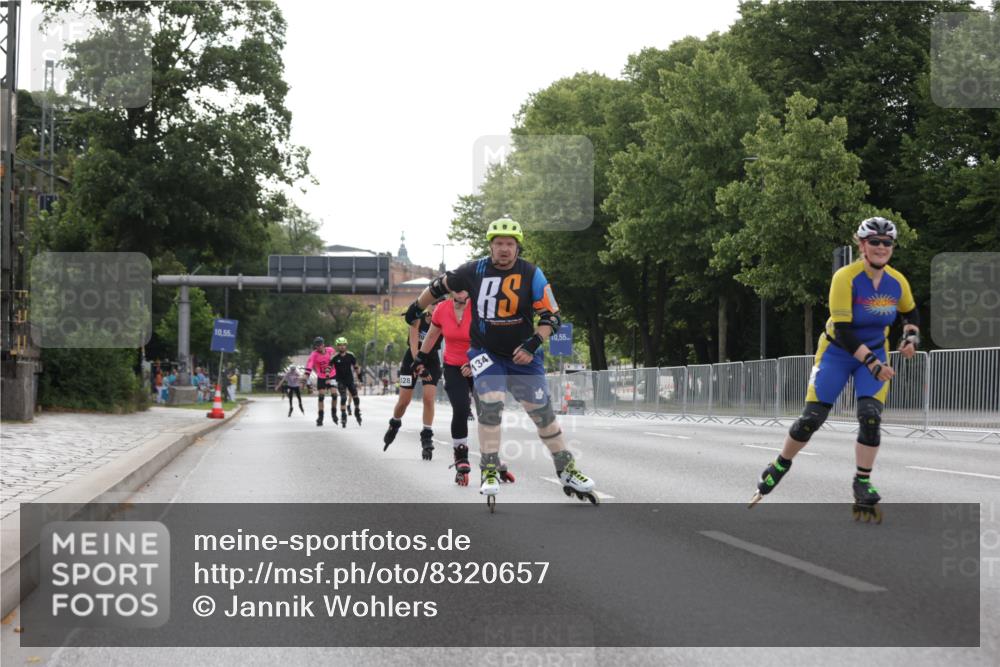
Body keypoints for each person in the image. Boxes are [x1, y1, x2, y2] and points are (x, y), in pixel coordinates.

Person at [406, 217, 597, 507]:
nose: (504, 249)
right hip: (486, 352)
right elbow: (438, 286)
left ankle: (566, 469)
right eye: (498, 244)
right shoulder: (474, 270)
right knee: (491, 404)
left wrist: (533, 344)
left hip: (524, 354)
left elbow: (551, 317)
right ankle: (490, 469)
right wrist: (414, 308)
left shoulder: (532, 274)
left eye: (509, 244)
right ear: (491, 246)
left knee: (542, 414)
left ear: (518, 247)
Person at [748, 217, 920, 523]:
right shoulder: (846, 277)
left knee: (870, 416)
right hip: (838, 353)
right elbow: (843, 331)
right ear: (862, 245)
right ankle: (781, 464)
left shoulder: (897, 281)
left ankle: (862, 481)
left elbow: (910, 311)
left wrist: (910, 337)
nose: (881, 248)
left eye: (887, 243)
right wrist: (873, 363)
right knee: (811, 419)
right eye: (875, 242)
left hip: (875, 353)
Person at [417, 290, 514, 486]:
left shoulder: (480, 308)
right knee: (460, 409)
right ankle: (460, 455)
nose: (461, 293)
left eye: (465, 289)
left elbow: (492, 341)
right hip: (453, 366)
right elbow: (432, 336)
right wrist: (419, 358)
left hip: (481, 363)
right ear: (451, 291)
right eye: (456, 289)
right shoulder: (442, 309)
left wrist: (474, 363)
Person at [382, 308, 442, 460]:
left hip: (432, 360)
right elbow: (414, 345)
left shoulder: (444, 319)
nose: (438, 307)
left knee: (428, 399)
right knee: (404, 401)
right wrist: (418, 366)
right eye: (435, 304)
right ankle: (394, 424)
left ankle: (427, 436)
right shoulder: (417, 318)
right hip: (412, 359)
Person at [303, 336, 339, 427]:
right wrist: (306, 375)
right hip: (321, 377)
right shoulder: (314, 354)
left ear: (323, 344)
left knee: (334, 395)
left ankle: (334, 413)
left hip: (332, 375)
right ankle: (320, 417)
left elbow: (335, 360)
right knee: (321, 397)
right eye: (317, 346)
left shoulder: (330, 350)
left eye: (320, 345)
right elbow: (310, 364)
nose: (319, 347)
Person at [332, 337, 363, 427]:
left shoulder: (351, 355)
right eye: (340, 345)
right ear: (337, 346)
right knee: (343, 398)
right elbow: (328, 367)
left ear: (346, 346)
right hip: (340, 380)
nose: (342, 347)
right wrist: (327, 378)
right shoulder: (335, 357)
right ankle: (343, 416)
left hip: (350, 380)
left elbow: (356, 367)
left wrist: (360, 379)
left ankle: (357, 410)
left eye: (344, 345)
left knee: (356, 397)